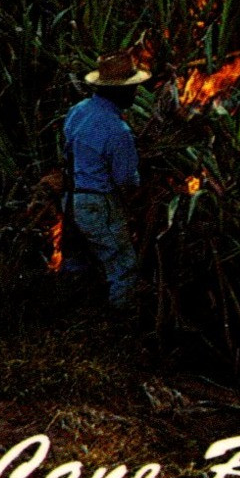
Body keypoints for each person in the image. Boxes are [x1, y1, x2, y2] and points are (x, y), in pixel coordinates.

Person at [63, 51, 149, 310]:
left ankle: (69, 318)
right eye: (131, 88)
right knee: (124, 267)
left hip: (71, 198)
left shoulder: (78, 111)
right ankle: (118, 328)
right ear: (118, 92)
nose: (135, 94)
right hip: (98, 203)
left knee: (77, 262)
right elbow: (126, 180)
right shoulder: (118, 131)